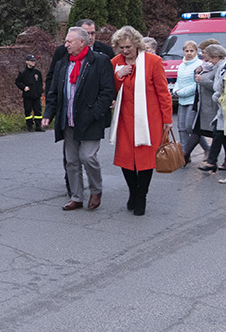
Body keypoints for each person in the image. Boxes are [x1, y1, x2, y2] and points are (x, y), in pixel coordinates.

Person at [41, 26, 114, 211]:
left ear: (82, 42)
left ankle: (96, 190)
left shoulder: (100, 61)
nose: (65, 45)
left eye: (69, 41)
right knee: (71, 161)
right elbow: (54, 93)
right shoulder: (63, 64)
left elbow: (107, 92)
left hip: (90, 120)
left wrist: (94, 114)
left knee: (88, 156)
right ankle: (76, 196)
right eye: (65, 41)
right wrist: (48, 115)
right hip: (69, 120)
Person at [109, 26, 173, 216]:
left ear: (137, 44)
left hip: (149, 118)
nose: (125, 51)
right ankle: (133, 191)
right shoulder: (115, 62)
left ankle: (141, 197)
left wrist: (167, 119)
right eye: (121, 47)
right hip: (124, 118)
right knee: (125, 159)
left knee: (145, 160)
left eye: (128, 47)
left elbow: (163, 92)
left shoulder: (153, 62)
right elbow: (110, 89)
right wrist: (118, 76)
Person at [190, 44, 226, 165]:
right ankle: (212, 162)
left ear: (216, 56)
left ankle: (211, 161)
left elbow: (217, 87)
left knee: (218, 135)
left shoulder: (221, 67)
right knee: (218, 135)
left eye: (209, 56)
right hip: (214, 107)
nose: (208, 60)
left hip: (217, 107)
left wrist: (203, 80)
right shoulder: (211, 66)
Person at [172, 40, 207, 158]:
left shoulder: (199, 64)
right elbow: (178, 81)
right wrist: (175, 90)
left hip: (192, 100)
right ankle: (184, 154)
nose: (189, 53)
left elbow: (196, 84)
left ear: (196, 51)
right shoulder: (181, 65)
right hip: (182, 100)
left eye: (192, 51)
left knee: (190, 127)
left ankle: (206, 148)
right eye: (186, 51)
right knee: (181, 127)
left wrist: (181, 92)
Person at [15, 53, 44, 132]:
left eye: (34, 61)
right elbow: (18, 82)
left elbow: (40, 82)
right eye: (31, 61)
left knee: (38, 111)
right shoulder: (23, 72)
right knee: (28, 111)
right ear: (27, 62)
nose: (33, 62)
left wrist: (40, 91)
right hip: (28, 95)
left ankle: (38, 126)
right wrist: (24, 87)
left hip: (36, 95)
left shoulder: (37, 72)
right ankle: (30, 126)